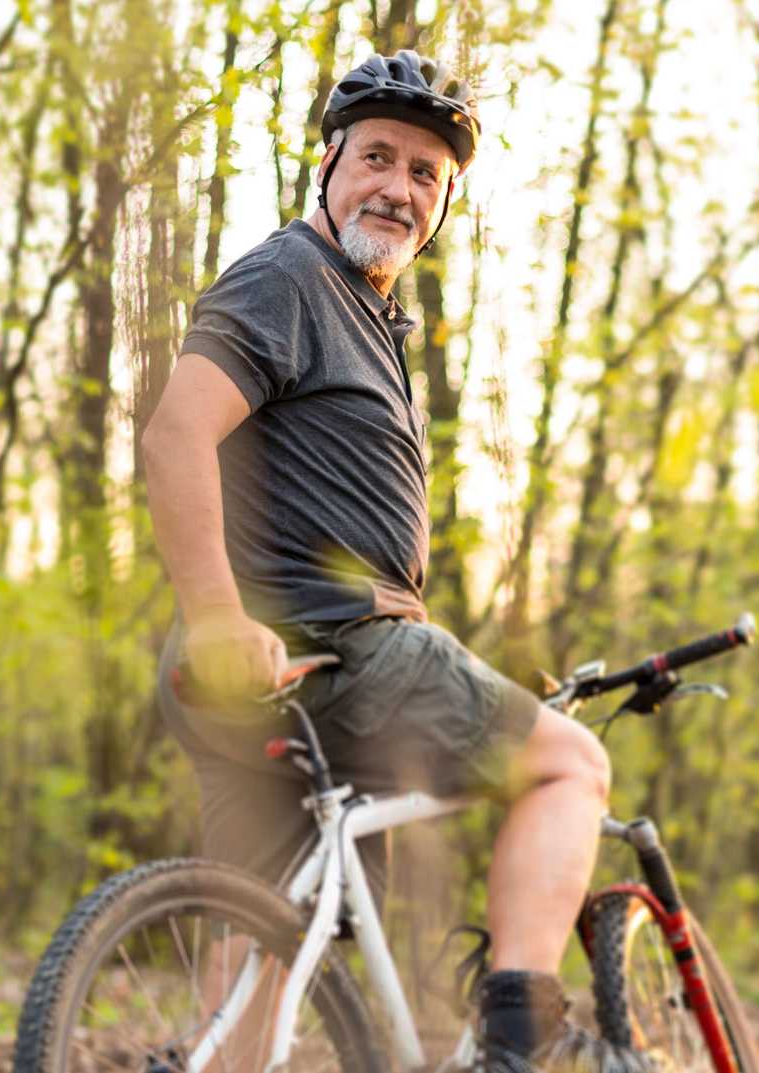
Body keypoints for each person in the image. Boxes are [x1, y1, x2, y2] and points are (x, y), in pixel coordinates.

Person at [139, 49, 632, 1073]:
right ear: (328, 163)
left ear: (444, 203)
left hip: (282, 667)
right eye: (378, 157)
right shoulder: (290, 277)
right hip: (332, 642)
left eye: (425, 175)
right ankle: (517, 1042)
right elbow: (176, 434)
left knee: (268, 946)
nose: (398, 188)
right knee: (573, 764)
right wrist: (223, 613)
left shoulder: (369, 317)